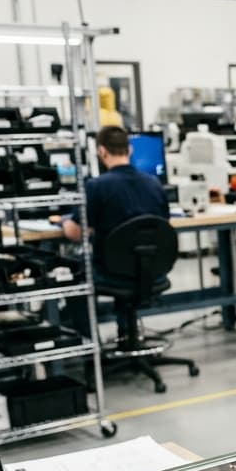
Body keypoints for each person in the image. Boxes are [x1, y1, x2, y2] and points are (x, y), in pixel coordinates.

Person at [62, 124, 170, 335]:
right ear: (130, 150)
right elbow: (164, 225)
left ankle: (89, 343)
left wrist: (64, 222)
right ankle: (127, 334)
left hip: (113, 273)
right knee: (124, 259)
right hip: (151, 271)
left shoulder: (96, 186)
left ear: (101, 151)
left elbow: (75, 233)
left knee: (73, 274)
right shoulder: (154, 184)